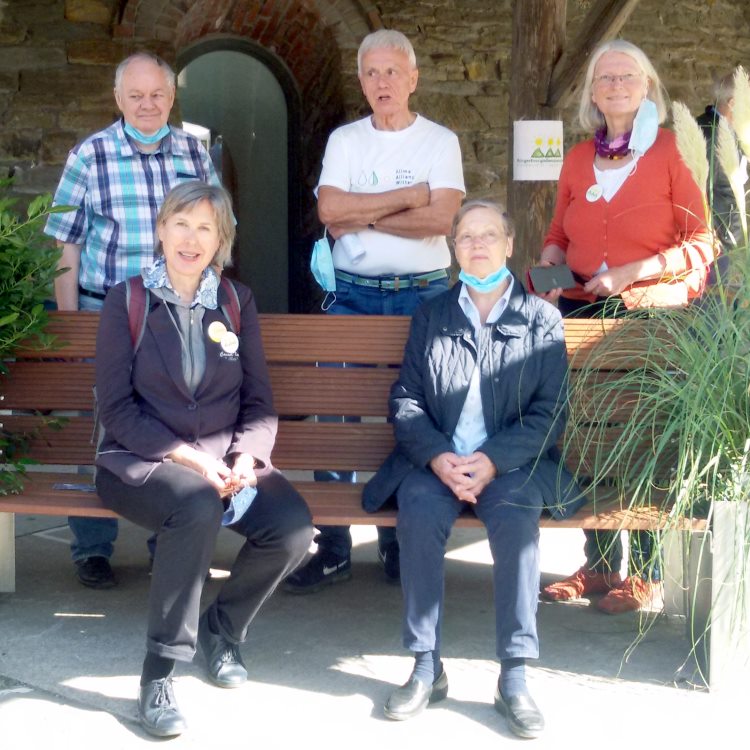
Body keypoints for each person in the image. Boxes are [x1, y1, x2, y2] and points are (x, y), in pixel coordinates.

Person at [94, 181, 314, 738]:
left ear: (222, 241)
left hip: (224, 465)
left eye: (206, 228)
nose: (191, 239)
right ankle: (159, 673)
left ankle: (223, 630)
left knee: (292, 528)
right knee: (194, 507)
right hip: (140, 462)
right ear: (162, 229)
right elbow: (116, 410)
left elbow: (261, 404)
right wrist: (190, 459)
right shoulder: (129, 300)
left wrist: (245, 458)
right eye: (182, 224)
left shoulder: (236, 302)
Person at [363, 200, 583, 738]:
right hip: (437, 461)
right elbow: (407, 400)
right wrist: (438, 457)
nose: (478, 245)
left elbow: (549, 413)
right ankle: (425, 665)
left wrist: (491, 460)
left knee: (515, 515)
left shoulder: (541, 320)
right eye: (466, 237)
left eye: (489, 236)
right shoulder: (432, 315)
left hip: (509, 465)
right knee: (416, 506)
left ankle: (514, 675)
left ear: (510, 246)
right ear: (453, 249)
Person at [537, 40, 716, 614]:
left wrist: (636, 271)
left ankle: (644, 572)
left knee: (638, 437)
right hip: (582, 312)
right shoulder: (575, 159)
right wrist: (547, 260)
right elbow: (561, 232)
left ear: (648, 89)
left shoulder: (669, 153)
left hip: (649, 317)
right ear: (592, 92)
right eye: (605, 77)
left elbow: (703, 243)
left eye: (628, 77)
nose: (616, 85)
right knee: (587, 434)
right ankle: (596, 562)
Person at [285, 29, 465, 593]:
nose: (382, 83)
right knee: (336, 410)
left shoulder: (440, 141)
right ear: (361, 81)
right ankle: (334, 545)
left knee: (413, 415)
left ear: (413, 78)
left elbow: (441, 221)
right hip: (353, 293)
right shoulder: (345, 139)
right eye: (372, 73)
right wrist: (407, 197)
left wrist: (365, 217)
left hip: (426, 294)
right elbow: (328, 209)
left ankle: (397, 538)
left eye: (393, 72)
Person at [44, 51, 220, 589]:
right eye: (136, 96)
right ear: (118, 99)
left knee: (175, 424)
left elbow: (217, 230)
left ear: (172, 98)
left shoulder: (195, 150)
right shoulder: (90, 155)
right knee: (99, 427)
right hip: (109, 312)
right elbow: (65, 244)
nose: (148, 105)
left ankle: (166, 536)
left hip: (179, 312)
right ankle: (91, 547)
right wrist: (73, 323)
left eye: (158, 95)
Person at [697, 71, 747, 283]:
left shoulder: (731, 131)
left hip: (733, 244)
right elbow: (702, 195)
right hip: (719, 251)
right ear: (734, 103)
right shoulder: (709, 135)